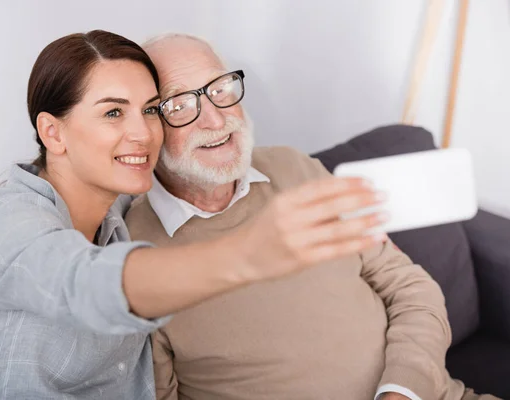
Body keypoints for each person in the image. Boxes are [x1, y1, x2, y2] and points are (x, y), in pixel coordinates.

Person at [0, 30, 387, 399]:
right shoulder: (8, 225)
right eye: (113, 114)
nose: (143, 134)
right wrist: (249, 254)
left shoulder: (118, 215)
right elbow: (87, 280)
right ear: (53, 132)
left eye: (151, 110)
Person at [124, 33, 500, 400]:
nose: (215, 120)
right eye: (179, 105)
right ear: (149, 124)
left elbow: (412, 290)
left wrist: (402, 391)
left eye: (220, 88)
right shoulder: (133, 259)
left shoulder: (295, 167)